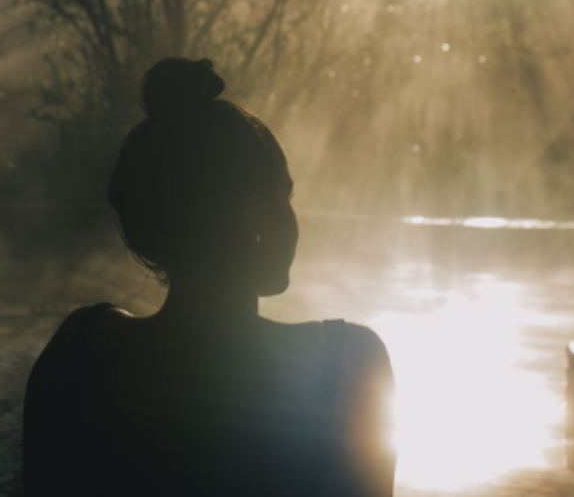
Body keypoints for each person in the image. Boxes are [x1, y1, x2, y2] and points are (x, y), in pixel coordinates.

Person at [24, 58, 396, 497]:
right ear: (252, 210)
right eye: (284, 196)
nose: (292, 220)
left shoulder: (77, 351)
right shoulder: (347, 364)